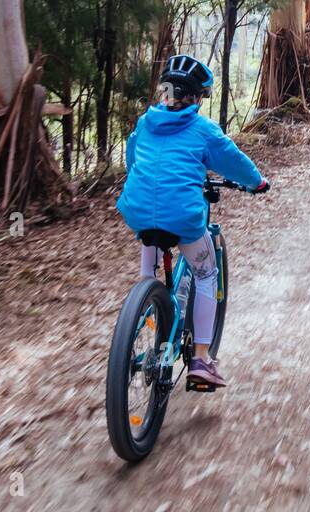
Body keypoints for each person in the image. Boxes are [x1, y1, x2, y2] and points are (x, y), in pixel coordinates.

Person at [115, 54, 268, 388]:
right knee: (206, 272)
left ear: (165, 92)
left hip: (138, 209)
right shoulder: (202, 129)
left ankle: (145, 303)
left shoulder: (144, 123)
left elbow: (133, 161)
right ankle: (200, 359)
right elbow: (233, 161)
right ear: (197, 97)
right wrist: (257, 182)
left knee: (150, 244)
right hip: (182, 216)